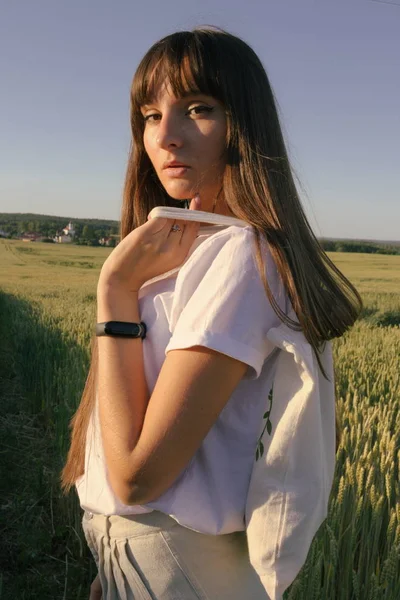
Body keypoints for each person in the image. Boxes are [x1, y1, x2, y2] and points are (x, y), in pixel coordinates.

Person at [61, 27, 362, 600]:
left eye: (198, 109)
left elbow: (139, 477)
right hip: (141, 558)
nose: (166, 136)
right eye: (150, 115)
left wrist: (115, 292)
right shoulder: (190, 248)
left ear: (242, 125)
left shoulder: (243, 258)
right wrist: (112, 562)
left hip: (177, 566)